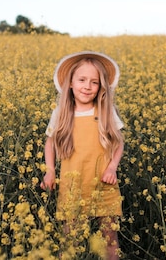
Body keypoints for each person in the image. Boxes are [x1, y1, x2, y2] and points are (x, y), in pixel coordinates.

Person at [41, 51, 124, 260]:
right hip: (73, 186)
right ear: (70, 83)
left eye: (94, 82)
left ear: (101, 87)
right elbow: (50, 142)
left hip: (104, 186)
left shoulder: (105, 110)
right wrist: (50, 171)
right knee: (70, 240)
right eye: (82, 80)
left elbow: (118, 142)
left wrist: (112, 167)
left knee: (110, 240)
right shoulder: (61, 112)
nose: (87, 86)